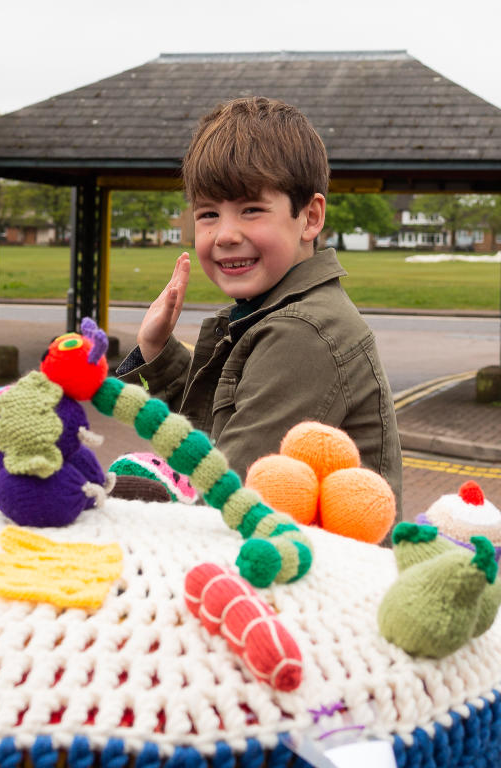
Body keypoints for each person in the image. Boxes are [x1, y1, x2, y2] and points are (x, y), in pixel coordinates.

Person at [115, 96, 403, 514]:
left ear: (310, 217)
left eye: (251, 210)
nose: (225, 234)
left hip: (312, 569)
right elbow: (210, 435)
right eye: (208, 214)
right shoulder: (263, 314)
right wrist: (156, 350)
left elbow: (223, 490)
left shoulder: (304, 332)